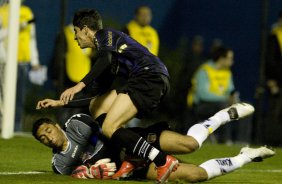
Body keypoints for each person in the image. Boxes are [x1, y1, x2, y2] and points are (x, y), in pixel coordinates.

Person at [54, 8, 174, 183]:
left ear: (86, 29)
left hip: (148, 77)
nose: (75, 37)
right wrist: (60, 103)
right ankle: (133, 155)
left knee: (110, 127)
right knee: (99, 107)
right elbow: (95, 99)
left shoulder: (105, 35)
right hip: (152, 81)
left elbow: (106, 59)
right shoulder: (108, 56)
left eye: (76, 31)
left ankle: (162, 160)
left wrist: (78, 86)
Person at [34, 99, 275, 182]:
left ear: (56, 126)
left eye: (47, 130)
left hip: (135, 143)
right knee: (196, 175)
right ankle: (245, 156)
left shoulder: (76, 124)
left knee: (190, 144)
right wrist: (89, 172)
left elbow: (109, 134)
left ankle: (222, 116)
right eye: (42, 137)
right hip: (130, 170)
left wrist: (91, 165)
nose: (47, 137)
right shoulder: (59, 165)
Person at [187, 47, 243, 144]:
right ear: (221, 59)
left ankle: (242, 140)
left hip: (221, 104)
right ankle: (225, 140)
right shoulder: (204, 70)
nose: (232, 61)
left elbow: (230, 89)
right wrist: (226, 99)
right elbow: (203, 95)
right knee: (224, 106)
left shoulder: (226, 71)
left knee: (244, 107)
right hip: (200, 106)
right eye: (230, 58)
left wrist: (234, 98)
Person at [0, 2, 42, 131]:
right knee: (4, 98)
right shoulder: (2, 11)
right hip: (5, 62)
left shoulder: (27, 12)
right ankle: (3, 127)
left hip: (23, 62)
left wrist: (35, 60)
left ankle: (16, 129)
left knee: (19, 99)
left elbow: (32, 38)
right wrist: (15, 27)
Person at [264, 10, 282, 146]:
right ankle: (272, 141)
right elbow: (269, 61)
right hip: (277, 81)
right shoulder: (274, 37)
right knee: (275, 112)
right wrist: (271, 80)